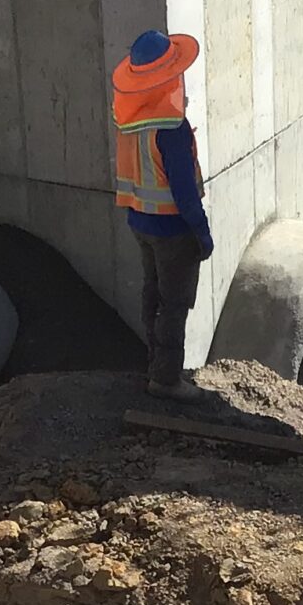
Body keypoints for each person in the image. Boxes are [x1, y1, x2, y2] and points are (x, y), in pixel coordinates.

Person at [112, 28, 214, 400]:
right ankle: (167, 380)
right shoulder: (171, 128)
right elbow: (185, 193)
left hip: (140, 223)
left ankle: (154, 365)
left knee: (152, 296)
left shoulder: (129, 123)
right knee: (174, 304)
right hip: (173, 229)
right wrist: (202, 235)